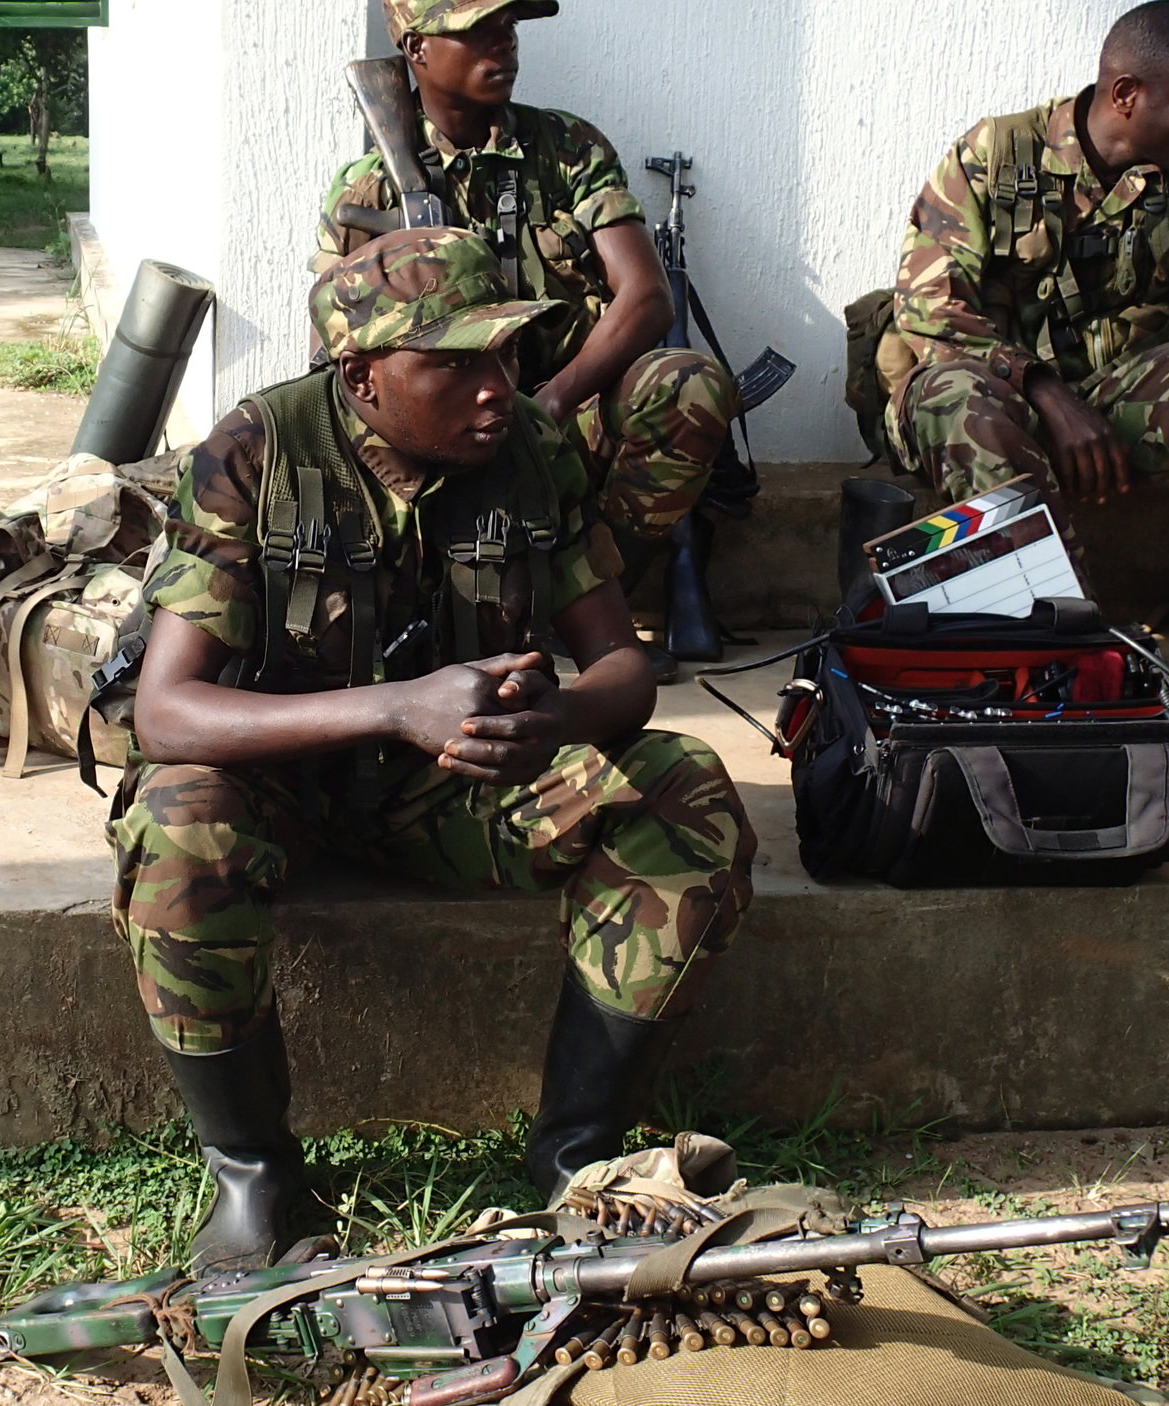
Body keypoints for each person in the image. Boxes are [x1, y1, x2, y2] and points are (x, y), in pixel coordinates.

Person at [113, 226, 758, 1275]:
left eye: (501, 357)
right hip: (279, 786)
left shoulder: (530, 455)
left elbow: (624, 670)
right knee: (178, 818)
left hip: (459, 798)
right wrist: (394, 706)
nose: (496, 387)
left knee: (682, 786)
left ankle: (575, 1157)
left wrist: (552, 719)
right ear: (361, 377)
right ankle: (255, 1174)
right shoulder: (256, 451)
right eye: (454, 364)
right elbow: (168, 714)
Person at [883, 0, 1169, 745]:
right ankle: (1052, 646)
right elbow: (929, 310)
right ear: (1126, 94)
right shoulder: (996, 155)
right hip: (980, 394)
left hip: (1113, 401)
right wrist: (1045, 391)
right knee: (959, 396)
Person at [317, 0, 735, 680]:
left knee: (689, 385)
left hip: (570, 410)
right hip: (449, 425)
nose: (503, 46)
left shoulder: (567, 149)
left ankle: (582, 613)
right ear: (418, 49)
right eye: (477, 31)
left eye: (508, 29)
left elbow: (647, 295)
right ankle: (444, 624)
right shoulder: (368, 186)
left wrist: (555, 399)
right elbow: (337, 349)